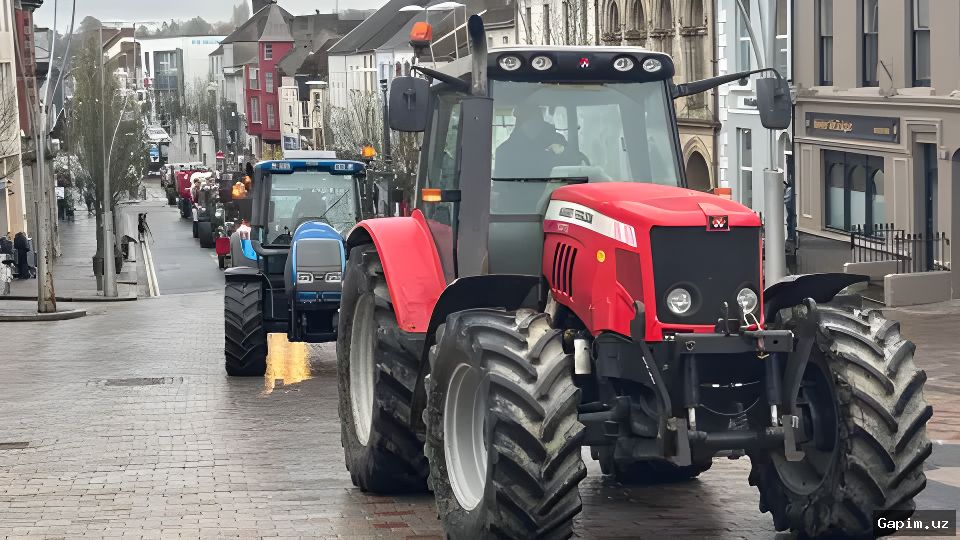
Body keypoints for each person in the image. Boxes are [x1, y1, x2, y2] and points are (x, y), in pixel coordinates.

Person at [494, 106, 567, 179]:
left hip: (556, 187)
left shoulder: (557, 140)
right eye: (524, 120)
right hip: (520, 188)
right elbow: (500, 185)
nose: (530, 124)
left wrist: (562, 150)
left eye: (535, 119)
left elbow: (573, 162)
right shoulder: (504, 151)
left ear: (539, 119)